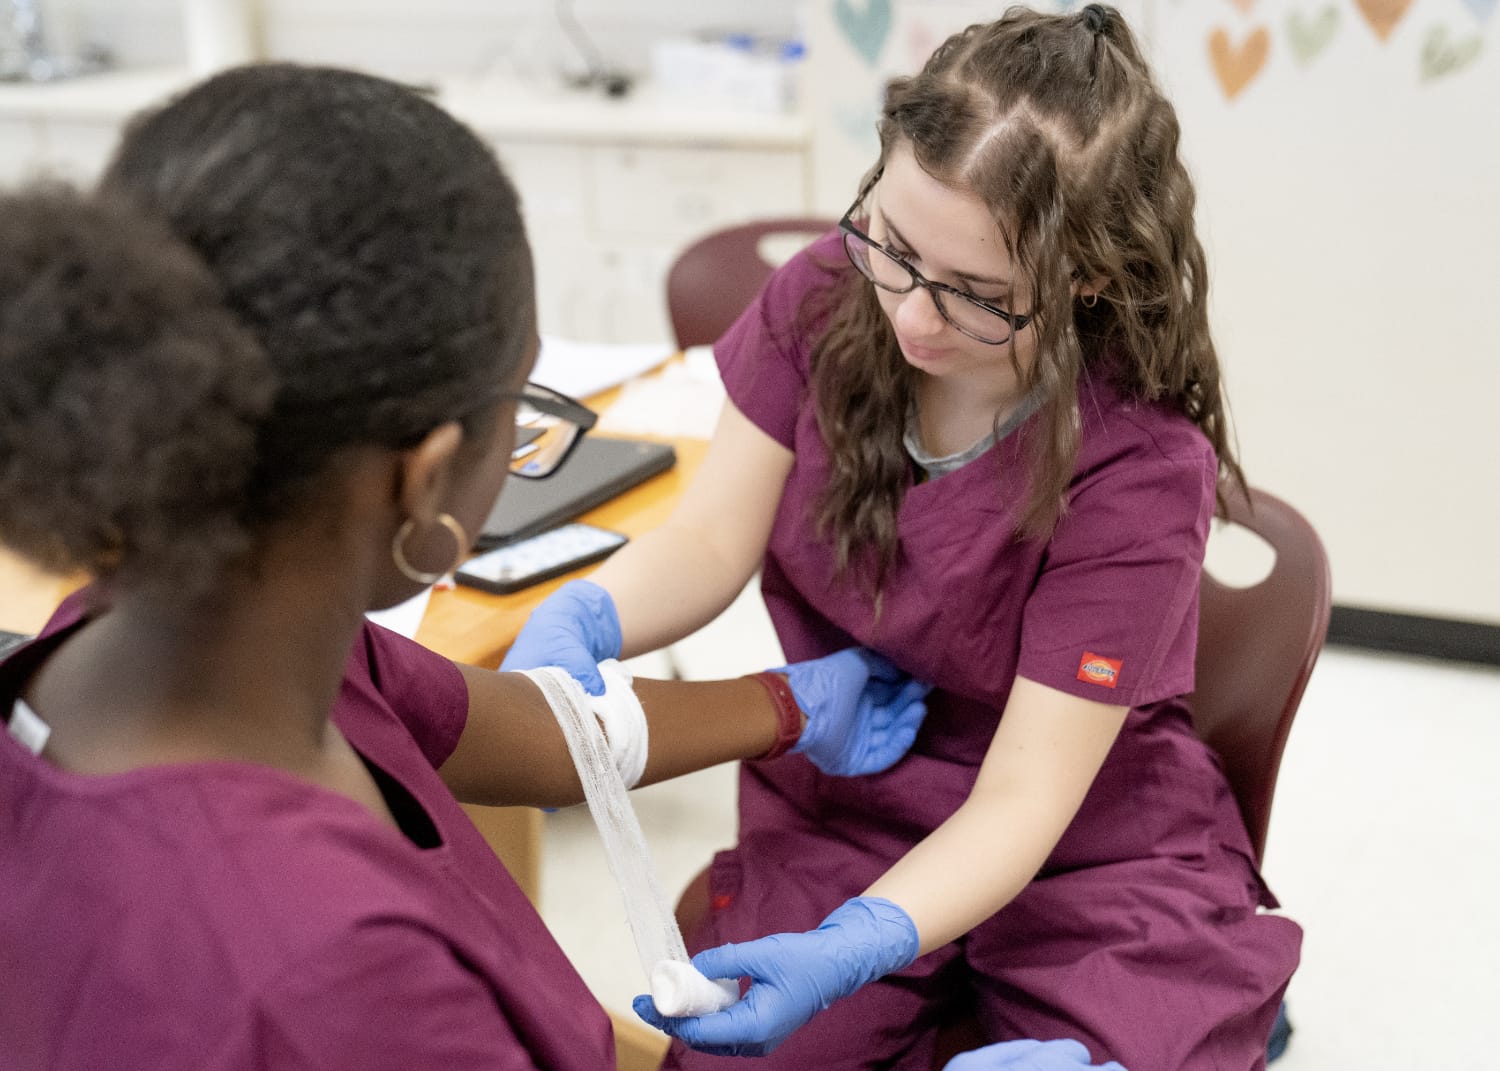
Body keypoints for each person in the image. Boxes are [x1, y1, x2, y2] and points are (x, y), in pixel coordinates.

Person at [0, 63, 947, 1070]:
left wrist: (790, 705)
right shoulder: (338, 988)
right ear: (428, 477)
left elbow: (502, 729)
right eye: (523, 410)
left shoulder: (159, 643)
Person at [501, 5, 1302, 1070]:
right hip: (849, 801)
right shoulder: (826, 299)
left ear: (1088, 281)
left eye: (979, 297)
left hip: (1082, 838)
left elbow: (1024, 797)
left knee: (1134, 1037)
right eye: (892, 242)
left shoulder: (1138, 466)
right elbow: (704, 545)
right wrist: (589, 612)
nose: (912, 317)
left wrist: (860, 945)